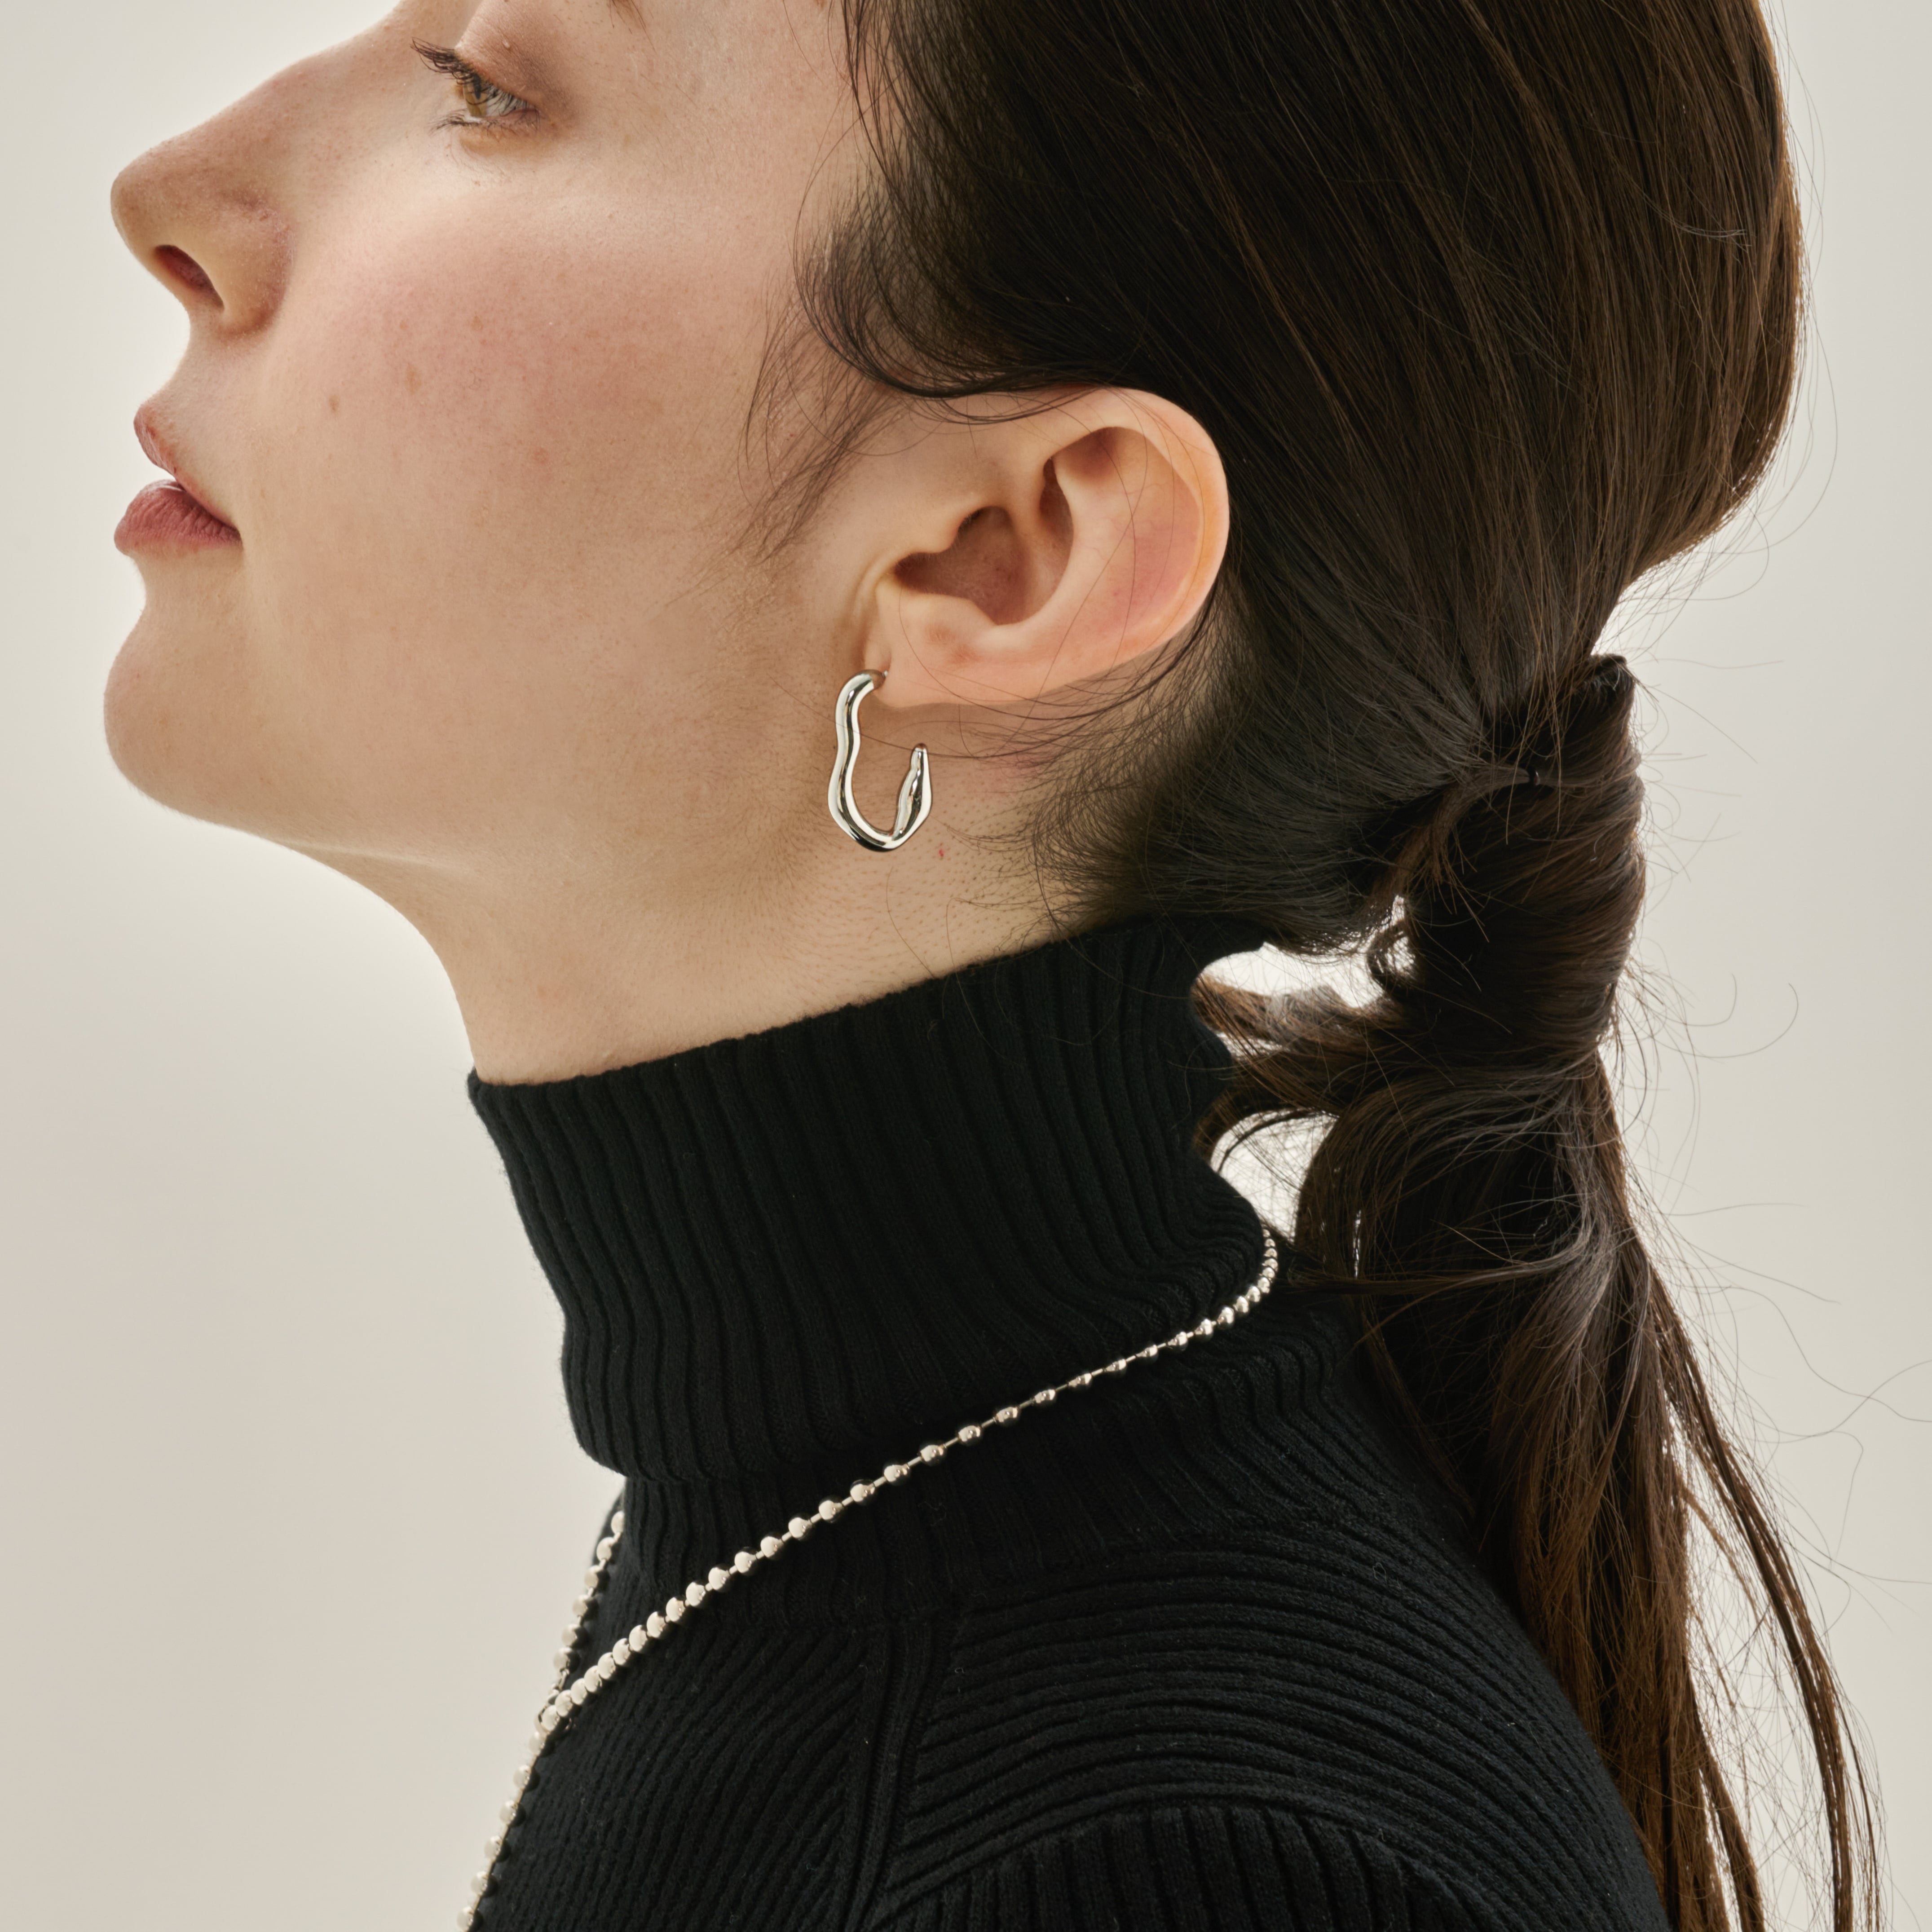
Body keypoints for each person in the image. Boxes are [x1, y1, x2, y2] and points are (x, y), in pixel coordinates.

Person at [106, 0, 1879, 1927]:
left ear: (1001, 557)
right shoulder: (909, 1542)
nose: (172, 192)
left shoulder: (1171, 1872)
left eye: (491, 88)